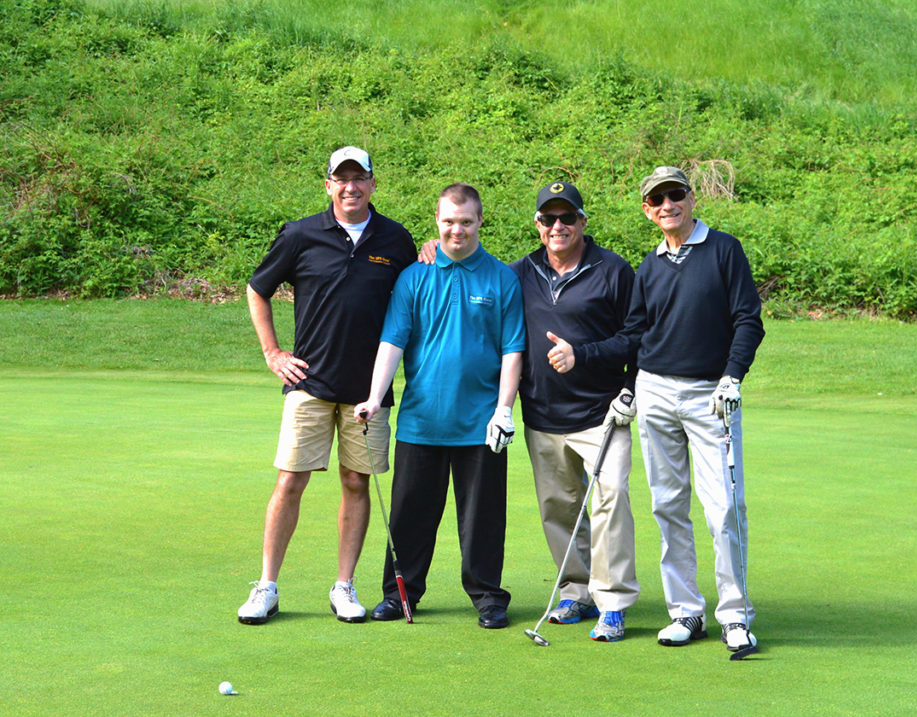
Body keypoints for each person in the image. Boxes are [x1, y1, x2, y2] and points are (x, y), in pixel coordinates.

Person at [548, 166, 764, 653]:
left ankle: (735, 615)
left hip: (712, 394)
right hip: (657, 394)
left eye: (676, 195)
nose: (668, 205)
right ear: (647, 210)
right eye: (657, 199)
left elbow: (748, 319)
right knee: (668, 507)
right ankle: (686, 611)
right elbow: (635, 338)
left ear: (691, 199)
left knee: (724, 508)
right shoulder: (649, 267)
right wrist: (621, 381)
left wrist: (733, 375)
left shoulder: (724, 251)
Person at [238, 146, 416, 625]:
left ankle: (344, 586)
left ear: (373, 184)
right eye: (342, 179)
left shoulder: (396, 239)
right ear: (328, 185)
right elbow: (258, 289)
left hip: (368, 392)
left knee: (356, 482)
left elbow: (416, 295)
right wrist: (273, 353)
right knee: (290, 480)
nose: (351, 187)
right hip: (310, 382)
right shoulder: (301, 235)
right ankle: (267, 586)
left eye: (360, 178)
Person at [354, 183, 525, 629]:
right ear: (437, 221)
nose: (457, 231)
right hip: (422, 420)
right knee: (411, 515)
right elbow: (393, 341)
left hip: (481, 423)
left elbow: (512, 350)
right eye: (449, 222)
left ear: (480, 222)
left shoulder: (502, 278)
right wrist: (375, 396)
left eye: (466, 222)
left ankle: (488, 596)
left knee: (483, 520)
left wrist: (504, 409)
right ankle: (400, 594)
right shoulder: (414, 276)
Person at [510, 181, 640, 642]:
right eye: (549, 219)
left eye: (568, 218)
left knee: (610, 502)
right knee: (560, 508)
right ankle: (576, 590)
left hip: (602, 414)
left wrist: (585, 357)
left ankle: (614, 602)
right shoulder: (519, 272)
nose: (558, 226)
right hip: (542, 414)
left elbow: (636, 337)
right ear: (538, 225)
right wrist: (430, 249)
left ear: (584, 221)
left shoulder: (613, 270)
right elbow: (469, 276)